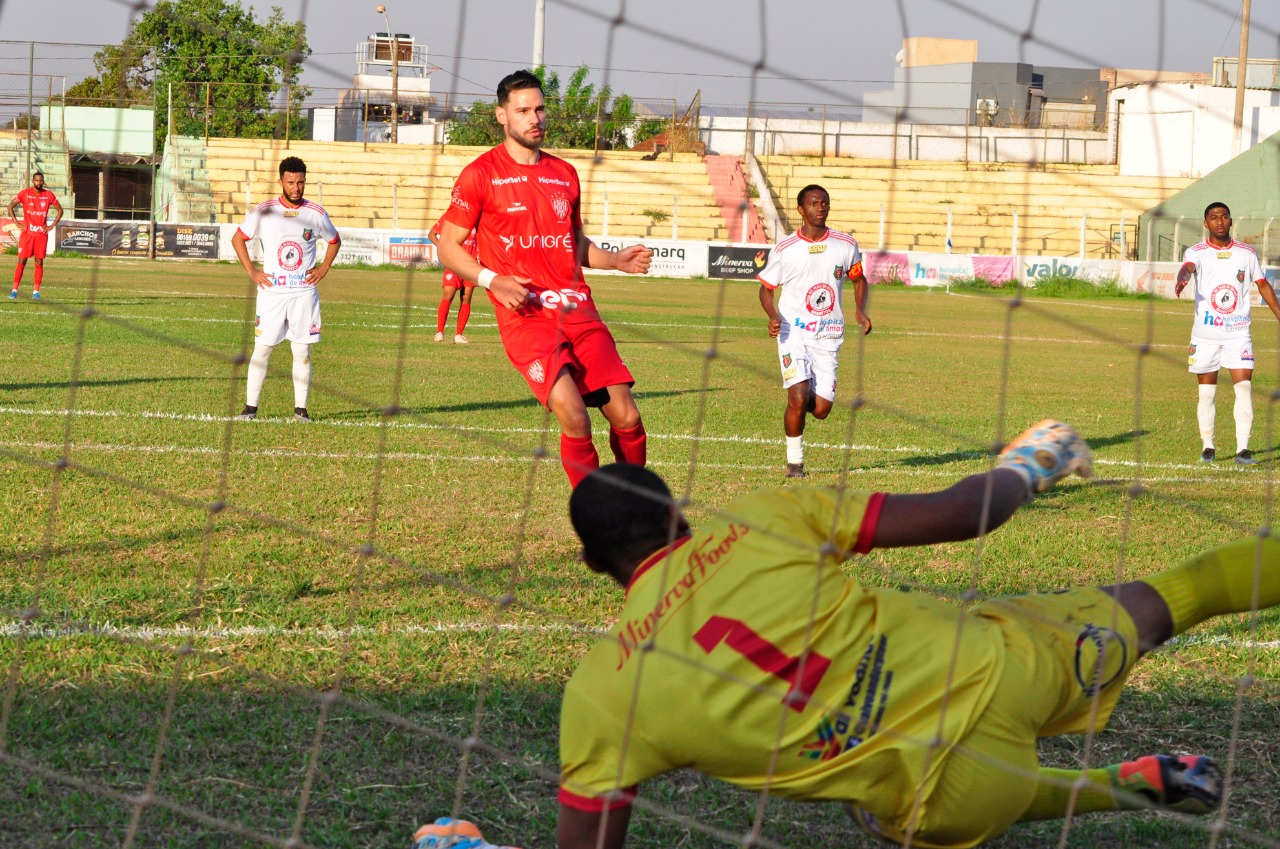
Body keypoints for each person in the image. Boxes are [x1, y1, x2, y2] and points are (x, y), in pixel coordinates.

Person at [555, 420, 1272, 849]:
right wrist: (1029, 463)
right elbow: (964, 513)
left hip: (948, 791)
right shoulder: (756, 517)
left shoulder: (603, 692)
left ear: (592, 565)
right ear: (680, 515)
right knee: (1179, 595)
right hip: (1004, 664)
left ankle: (1126, 787)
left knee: (915, 808)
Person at [436, 69, 654, 488]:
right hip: (526, 315)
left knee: (627, 415)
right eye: (523, 111)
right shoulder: (480, 174)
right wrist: (491, 279)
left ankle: (633, 505)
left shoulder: (564, 173)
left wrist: (616, 261)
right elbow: (448, 246)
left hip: (577, 307)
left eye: (539, 109)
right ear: (502, 116)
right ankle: (595, 520)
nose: (534, 118)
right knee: (573, 414)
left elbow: (575, 242)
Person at [758, 184, 871, 478]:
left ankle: (804, 393)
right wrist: (772, 315)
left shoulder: (845, 244)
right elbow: (766, 289)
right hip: (792, 333)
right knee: (796, 399)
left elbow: (859, 280)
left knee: (821, 410)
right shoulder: (785, 249)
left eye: (824, 203)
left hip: (829, 334)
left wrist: (860, 311)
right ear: (800, 209)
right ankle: (794, 464)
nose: (820, 207)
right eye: (814, 203)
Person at [231, 156, 340, 423]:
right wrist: (252, 271)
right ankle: (250, 409)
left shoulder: (315, 212)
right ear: (280, 181)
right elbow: (238, 238)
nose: (296, 187)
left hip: (303, 293)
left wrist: (323, 269)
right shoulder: (265, 210)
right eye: (290, 182)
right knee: (262, 349)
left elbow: (335, 241)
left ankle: (300, 411)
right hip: (272, 293)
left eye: (300, 182)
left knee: (301, 351)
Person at [1174, 201, 1280, 465]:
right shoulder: (1197, 252)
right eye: (1213, 217)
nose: (1219, 221)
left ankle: (1243, 450)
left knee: (1244, 388)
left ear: (1231, 221)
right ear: (1205, 223)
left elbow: (1263, 284)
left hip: (1238, 333)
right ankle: (1208, 446)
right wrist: (1183, 276)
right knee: (1207, 394)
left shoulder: (1246, 253)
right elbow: (1187, 266)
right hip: (1205, 335)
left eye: (1224, 217)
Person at [7, 171, 63, 300]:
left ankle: (36, 292)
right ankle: (14, 290)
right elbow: (10, 206)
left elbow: (60, 210)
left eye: (41, 180)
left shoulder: (48, 195)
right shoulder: (24, 193)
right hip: (27, 234)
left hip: (41, 235)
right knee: (22, 260)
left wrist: (52, 225)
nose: (39, 183)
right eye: (37, 180)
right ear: (33, 181)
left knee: (39, 261)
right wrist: (16, 223)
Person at [428, 218, 480, 344]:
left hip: (470, 266)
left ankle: (459, 334)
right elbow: (432, 234)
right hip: (453, 263)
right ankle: (439, 332)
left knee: (466, 298)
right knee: (448, 295)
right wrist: (442, 248)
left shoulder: (478, 219)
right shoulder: (451, 216)